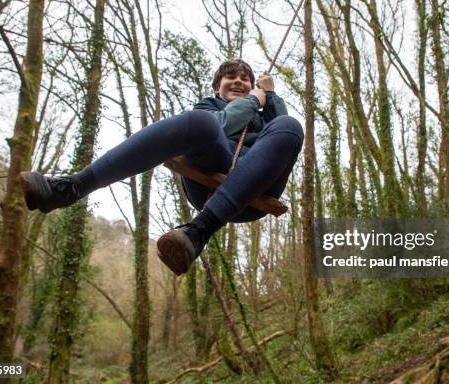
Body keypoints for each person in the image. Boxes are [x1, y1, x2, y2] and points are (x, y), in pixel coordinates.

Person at [20, 59, 304, 275]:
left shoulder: (266, 115)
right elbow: (224, 124)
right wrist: (254, 99)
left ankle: (198, 232)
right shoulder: (209, 105)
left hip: (255, 189)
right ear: (217, 86)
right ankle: (72, 186)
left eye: (246, 78)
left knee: (289, 125)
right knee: (200, 121)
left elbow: (285, 135)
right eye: (231, 77)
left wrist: (271, 95)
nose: (239, 81)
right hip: (210, 173)